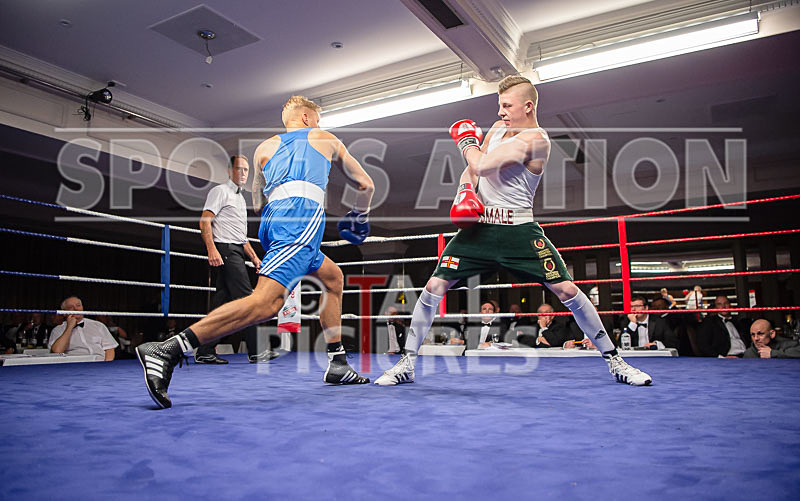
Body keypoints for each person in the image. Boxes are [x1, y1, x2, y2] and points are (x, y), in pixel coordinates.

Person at [375, 75, 651, 386]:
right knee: (433, 287)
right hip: (480, 230)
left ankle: (616, 361)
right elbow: (472, 171)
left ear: (528, 106)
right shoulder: (497, 130)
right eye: (499, 105)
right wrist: (464, 192)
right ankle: (407, 362)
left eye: (507, 105)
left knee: (567, 291)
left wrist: (465, 142)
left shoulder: (536, 140)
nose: (501, 112)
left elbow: (483, 164)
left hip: (519, 230)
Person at [136, 95, 375, 408]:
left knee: (333, 277)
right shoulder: (323, 137)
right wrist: (361, 214)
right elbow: (365, 184)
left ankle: (338, 362)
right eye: (316, 119)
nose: (319, 125)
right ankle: (170, 348)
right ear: (306, 118)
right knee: (266, 303)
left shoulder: (263, 149)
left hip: (275, 221)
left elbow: (257, 198)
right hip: (300, 220)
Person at [195, 155, 263, 365]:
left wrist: (254, 257)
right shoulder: (220, 191)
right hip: (224, 249)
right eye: (239, 169)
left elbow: (240, 236)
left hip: (234, 249)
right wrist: (211, 249)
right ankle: (256, 351)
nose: (243, 174)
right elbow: (205, 222)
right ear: (229, 171)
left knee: (222, 303)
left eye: (246, 170)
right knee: (247, 299)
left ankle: (205, 350)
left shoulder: (240, 198)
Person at [49, 296, 118, 361]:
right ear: (64, 312)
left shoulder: (98, 325)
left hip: (100, 364)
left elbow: (110, 349)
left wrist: (106, 366)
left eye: (78, 305)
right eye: (71, 307)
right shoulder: (57, 330)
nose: (76, 309)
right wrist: (69, 327)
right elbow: (57, 351)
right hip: (75, 366)